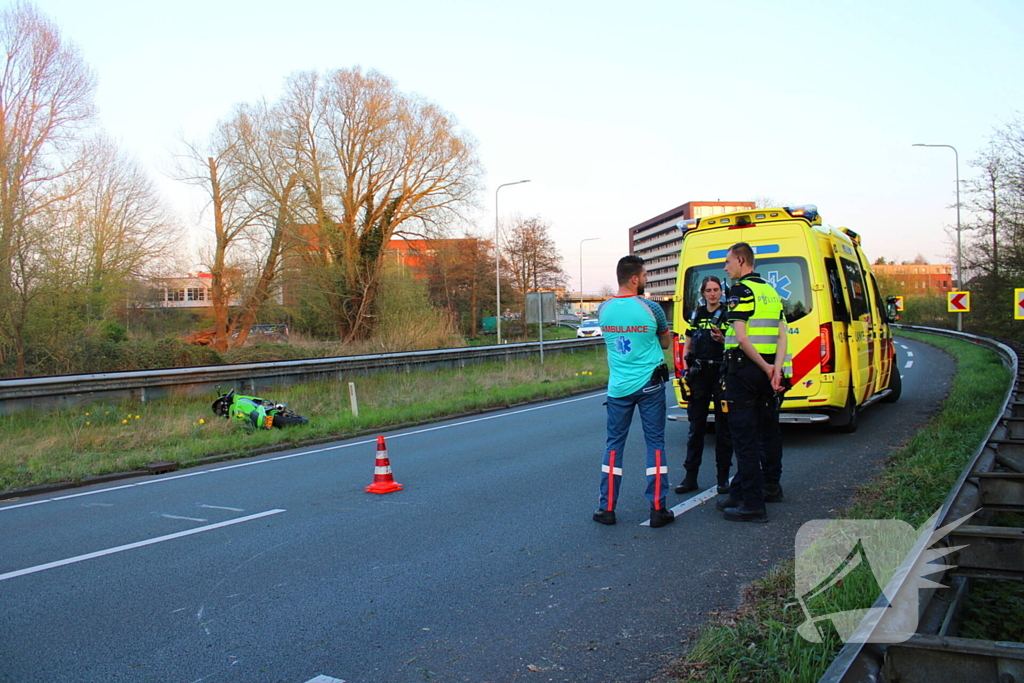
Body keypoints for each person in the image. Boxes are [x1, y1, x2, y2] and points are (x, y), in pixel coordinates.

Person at [593, 255, 675, 528]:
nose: (647, 279)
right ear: (635, 279)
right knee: (655, 445)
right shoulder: (652, 308)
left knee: (613, 446)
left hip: (618, 388)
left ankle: (607, 508)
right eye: (645, 275)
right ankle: (657, 509)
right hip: (650, 385)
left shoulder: (603, 310)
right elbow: (665, 342)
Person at [715, 242, 787, 523]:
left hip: (745, 372)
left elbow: (742, 338)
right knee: (768, 433)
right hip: (766, 373)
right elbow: (782, 335)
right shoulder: (770, 291)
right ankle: (761, 488)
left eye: (728, 261)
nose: (725, 267)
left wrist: (765, 366)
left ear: (741, 260)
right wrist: (775, 369)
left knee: (744, 438)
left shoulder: (741, 290)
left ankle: (752, 504)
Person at [675, 276, 733, 495]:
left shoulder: (728, 314)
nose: (712, 294)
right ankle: (690, 477)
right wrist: (685, 371)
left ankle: (723, 479)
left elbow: (736, 343)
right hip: (698, 376)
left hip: (720, 374)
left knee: (723, 429)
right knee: (695, 429)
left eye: (716, 290)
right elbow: (687, 344)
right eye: (708, 290)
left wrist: (722, 340)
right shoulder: (696, 315)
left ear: (721, 292)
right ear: (703, 293)